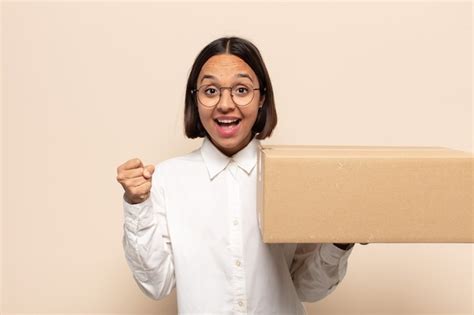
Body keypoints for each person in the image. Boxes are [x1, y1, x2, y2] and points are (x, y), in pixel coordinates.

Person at [116, 36, 357, 314]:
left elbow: (307, 288)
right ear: (195, 100)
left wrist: (342, 239)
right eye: (210, 91)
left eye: (241, 90)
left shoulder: (293, 175)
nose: (225, 104)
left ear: (262, 98)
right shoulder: (166, 180)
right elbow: (156, 284)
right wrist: (137, 206)